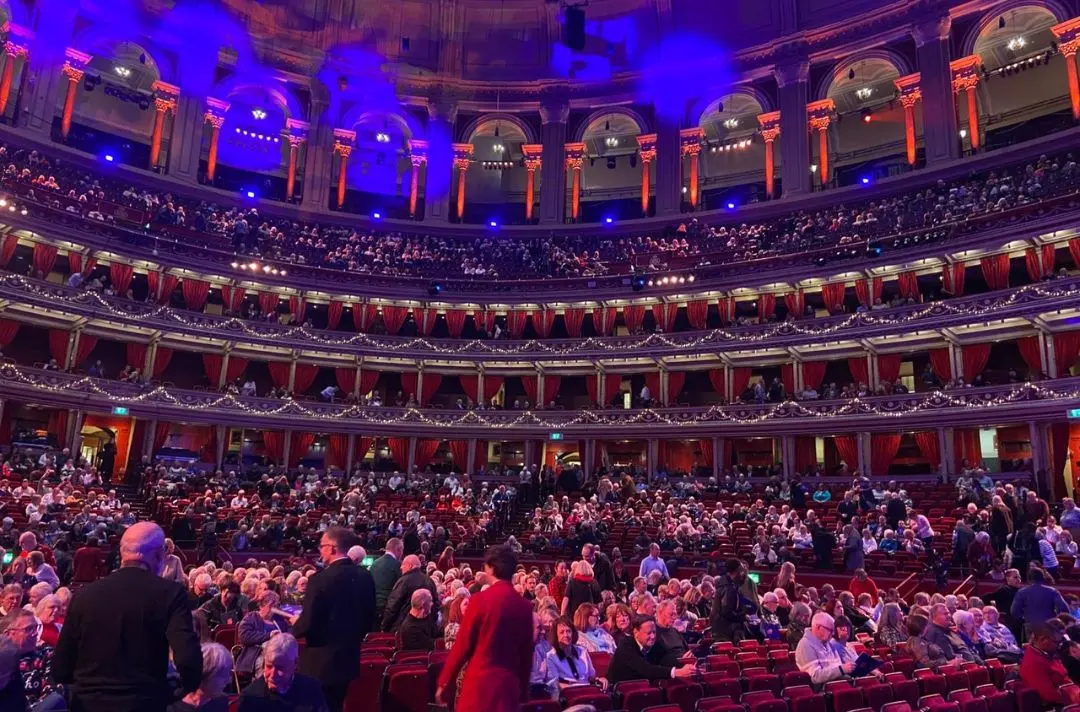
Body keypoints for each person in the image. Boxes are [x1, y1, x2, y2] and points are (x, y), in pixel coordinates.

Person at [52, 521, 202, 712]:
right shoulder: (170, 593)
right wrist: (179, 691)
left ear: (123, 553)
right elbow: (187, 658)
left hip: (87, 703)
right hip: (144, 702)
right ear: (158, 554)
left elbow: (61, 667)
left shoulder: (84, 594)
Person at [436, 546, 534, 712]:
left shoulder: (479, 601)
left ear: (492, 568)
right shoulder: (525, 606)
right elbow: (526, 655)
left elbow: (462, 647)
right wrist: (522, 691)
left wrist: (445, 682)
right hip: (507, 689)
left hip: (479, 687)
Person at [290, 526, 375, 712]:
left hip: (320, 663)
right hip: (349, 659)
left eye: (322, 546)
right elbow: (369, 619)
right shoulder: (365, 576)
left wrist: (293, 628)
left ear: (333, 548)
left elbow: (308, 623)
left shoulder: (319, 580)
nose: (319, 550)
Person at [237, 633, 328, 712]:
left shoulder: (311, 689)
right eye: (269, 666)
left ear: (295, 663)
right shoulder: (250, 697)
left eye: (280, 668)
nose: (272, 675)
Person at [605, 616, 696, 684]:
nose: (652, 636)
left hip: (643, 686)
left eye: (654, 632)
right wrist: (676, 672)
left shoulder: (654, 643)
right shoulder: (625, 645)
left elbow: (666, 659)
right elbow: (645, 668)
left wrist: (683, 662)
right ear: (636, 632)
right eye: (648, 633)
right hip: (621, 690)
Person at [1019, 621, 1074, 706]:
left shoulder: (1047, 654)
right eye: (1057, 642)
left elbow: (1065, 678)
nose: (1059, 645)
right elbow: (1049, 695)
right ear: (1043, 639)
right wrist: (1074, 697)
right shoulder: (1034, 662)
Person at [236, 591, 290, 678]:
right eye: (271, 606)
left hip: (279, 654)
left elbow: (288, 638)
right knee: (266, 660)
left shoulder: (279, 620)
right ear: (262, 606)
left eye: (276, 606)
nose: (274, 609)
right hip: (256, 655)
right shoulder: (251, 617)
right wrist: (269, 636)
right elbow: (244, 637)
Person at [168, 642, 233, 712]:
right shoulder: (173, 706)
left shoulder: (221, 701)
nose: (228, 680)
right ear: (204, 675)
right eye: (222, 675)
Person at [544, 616, 605, 689]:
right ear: (556, 635)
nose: (566, 635)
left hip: (587, 690)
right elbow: (555, 684)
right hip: (569, 693)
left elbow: (591, 677)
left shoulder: (582, 651)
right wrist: (576, 689)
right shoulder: (551, 657)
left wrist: (599, 680)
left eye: (568, 631)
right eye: (561, 632)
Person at [795, 612, 855, 684]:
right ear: (818, 627)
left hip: (838, 684)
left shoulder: (828, 643)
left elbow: (838, 668)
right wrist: (842, 669)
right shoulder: (805, 645)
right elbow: (816, 677)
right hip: (823, 691)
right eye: (830, 630)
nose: (833, 633)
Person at [1010, 567, 1068, 637]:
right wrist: (1055, 619)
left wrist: (1025, 618)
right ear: (1043, 577)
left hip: (1030, 625)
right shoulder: (1052, 591)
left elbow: (1014, 612)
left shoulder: (1022, 592)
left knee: (1031, 647)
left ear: (1029, 579)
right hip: (1049, 625)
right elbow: (1064, 608)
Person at [370, 538, 403, 623]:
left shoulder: (374, 564)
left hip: (373, 606)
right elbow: (400, 589)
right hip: (389, 609)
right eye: (402, 550)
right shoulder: (398, 565)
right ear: (398, 549)